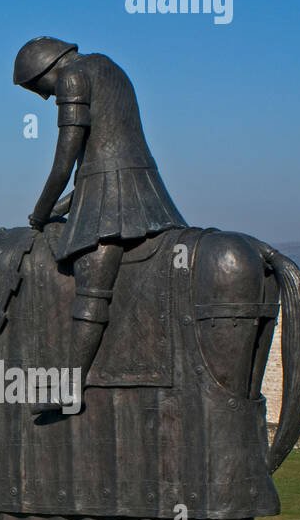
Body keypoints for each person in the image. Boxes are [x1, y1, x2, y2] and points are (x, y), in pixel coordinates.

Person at [13, 37, 187, 414]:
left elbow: (66, 160)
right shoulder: (110, 67)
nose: (44, 95)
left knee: (93, 287)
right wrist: (61, 206)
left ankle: (70, 386)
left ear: (45, 70)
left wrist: (41, 213)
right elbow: (104, 157)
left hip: (114, 197)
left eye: (38, 88)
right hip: (139, 186)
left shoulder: (72, 78)